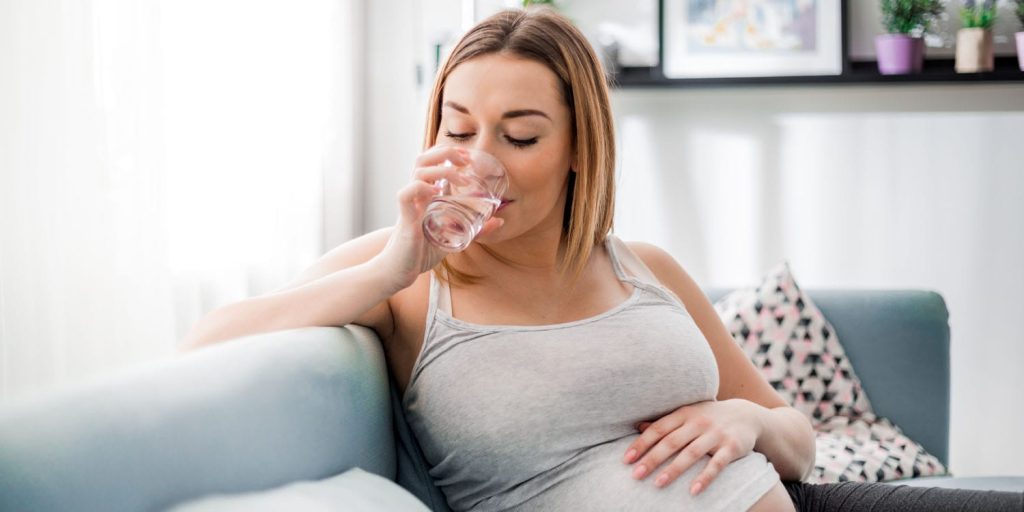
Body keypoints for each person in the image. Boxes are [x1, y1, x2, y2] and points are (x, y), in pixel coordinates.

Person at [180, 7, 1024, 512]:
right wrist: (389, 266)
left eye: (520, 135)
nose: (482, 161)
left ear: (581, 146)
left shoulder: (645, 266)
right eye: (459, 128)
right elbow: (209, 342)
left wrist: (746, 421)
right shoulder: (408, 274)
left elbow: (799, 438)